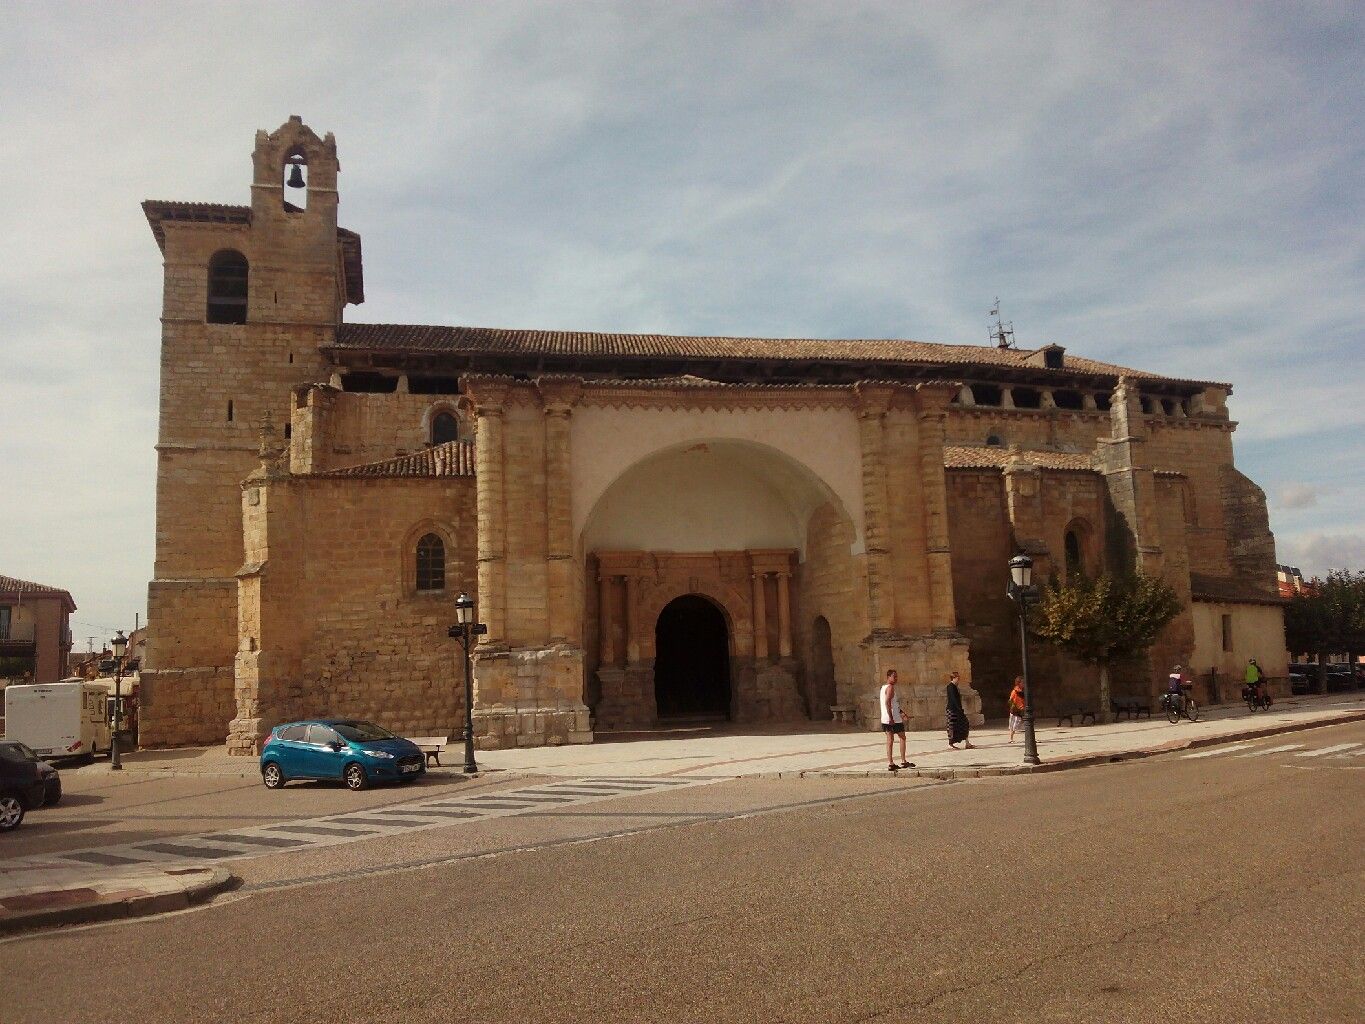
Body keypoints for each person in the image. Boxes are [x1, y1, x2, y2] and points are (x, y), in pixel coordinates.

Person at [880, 669, 915, 771]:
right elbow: (887, 703)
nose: (896, 678)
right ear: (888, 677)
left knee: (890, 740)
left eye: (896, 676)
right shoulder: (890, 687)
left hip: (886, 718)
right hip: (893, 719)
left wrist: (902, 713)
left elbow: (894, 704)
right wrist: (891, 718)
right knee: (902, 737)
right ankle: (903, 761)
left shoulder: (883, 688)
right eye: (894, 676)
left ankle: (891, 763)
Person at [945, 671, 973, 749]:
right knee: (952, 726)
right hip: (952, 710)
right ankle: (950, 744)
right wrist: (959, 709)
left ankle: (967, 742)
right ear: (953, 678)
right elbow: (953, 699)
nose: (958, 680)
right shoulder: (950, 687)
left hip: (957, 710)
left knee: (964, 724)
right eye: (957, 678)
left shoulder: (955, 687)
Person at [1007, 677, 1026, 742]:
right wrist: (1014, 706)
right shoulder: (1015, 691)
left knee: (1026, 724)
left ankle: (1030, 738)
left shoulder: (1023, 691)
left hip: (1021, 710)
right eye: (1022, 682)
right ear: (1018, 683)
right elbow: (1010, 700)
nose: (1024, 684)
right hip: (1016, 711)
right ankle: (1011, 739)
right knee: (1013, 725)